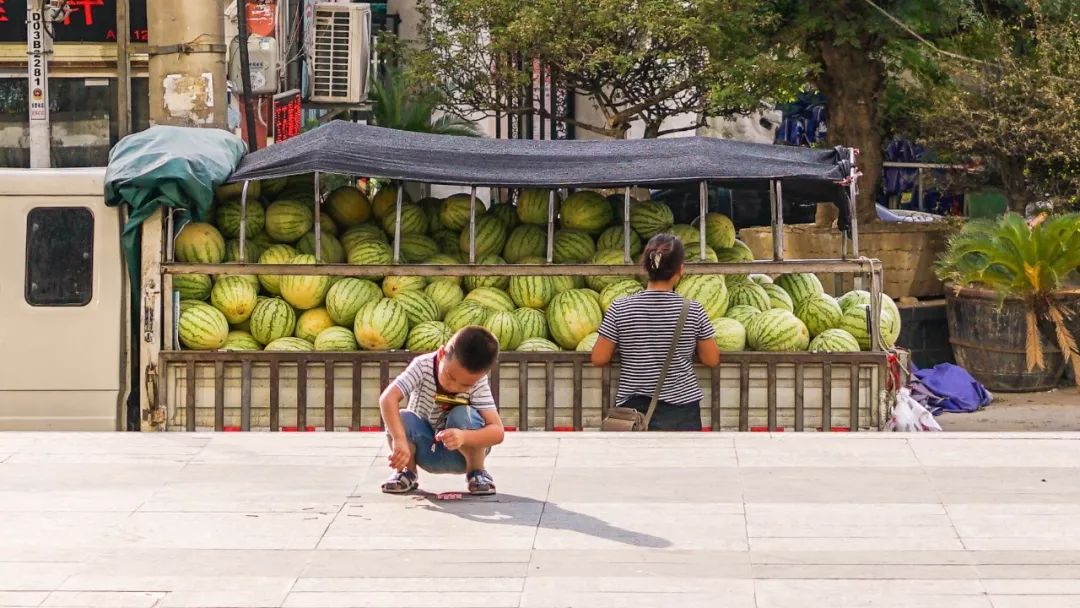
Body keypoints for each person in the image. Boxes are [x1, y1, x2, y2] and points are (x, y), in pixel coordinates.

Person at [591, 234, 721, 431]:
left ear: (645, 267)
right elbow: (712, 359)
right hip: (682, 413)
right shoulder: (693, 310)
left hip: (635, 415)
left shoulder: (620, 308)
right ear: (680, 270)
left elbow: (599, 358)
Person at [378, 326, 505, 495]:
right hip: (425, 447)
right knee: (402, 418)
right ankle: (406, 472)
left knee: (463, 414)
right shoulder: (423, 366)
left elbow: (497, 431)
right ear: (441, 354)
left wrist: (464, 436)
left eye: (465, 385)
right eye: (450, 376)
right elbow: (387, 398)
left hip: (462, 455)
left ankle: (477, 472)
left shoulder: (479, 383)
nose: (454, 387)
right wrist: (399, 440)